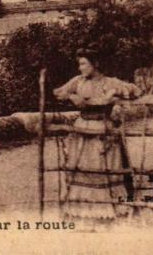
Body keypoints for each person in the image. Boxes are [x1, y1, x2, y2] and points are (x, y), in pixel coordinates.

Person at [53, 48, 142, 220]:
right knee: (82, 166)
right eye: (79, 64)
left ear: (95, 64)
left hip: (102, 127)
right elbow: (58, 92)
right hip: (82, 128)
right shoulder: (78, 81)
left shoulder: (109, 82)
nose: (80, 68)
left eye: (84, 63)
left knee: (103, 167)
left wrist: (114, 96)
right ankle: (82, 206)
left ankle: (109, 207)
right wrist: (72, 96)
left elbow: (136, 91)